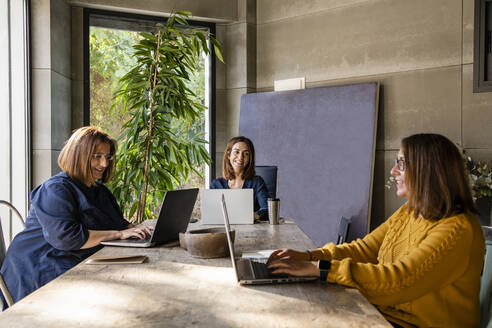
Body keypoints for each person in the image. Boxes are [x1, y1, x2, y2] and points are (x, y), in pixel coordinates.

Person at [268, 133, 485, 328]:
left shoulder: (458, 229)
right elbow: (364, 249)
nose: (393, 171)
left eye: (401, 163)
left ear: (427, 170)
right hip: (382, 316)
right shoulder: (409, 211)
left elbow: (399, 281)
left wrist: (321, 269)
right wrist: (309, 256)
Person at [0, 126, 153, 309]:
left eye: (108, 157)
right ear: (77, 155)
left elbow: (117, 223)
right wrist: (118, 234)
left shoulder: (100, 190)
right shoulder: (55, 189)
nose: (104, 164)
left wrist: (133, 229)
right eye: (97, 156)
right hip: (41, 267)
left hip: (76, 261)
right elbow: (68, 238)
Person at [211, 136, 269, 221]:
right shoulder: (216, 185)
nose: (240, 157)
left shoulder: (257, 182)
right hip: (222, 230)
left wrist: (255, 216)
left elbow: (267, 209)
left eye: (246, 154)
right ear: (228, 155)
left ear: (249, 159)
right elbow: (211, 213)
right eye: (236, 152)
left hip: (251, 230)